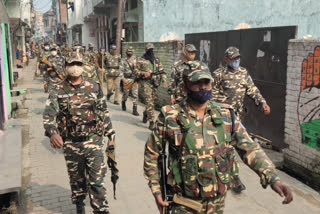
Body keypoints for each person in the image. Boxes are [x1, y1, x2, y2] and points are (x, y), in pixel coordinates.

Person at [143, 61, 293, 214]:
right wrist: (156, 190)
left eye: (206, 82)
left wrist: (273, 178)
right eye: (196, 83)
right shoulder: (170, 116)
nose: (203, 87)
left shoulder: (226, 114)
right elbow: (152, 154)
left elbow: (250, 148)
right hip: (183, 203)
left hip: (217, 204)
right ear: (184, 87)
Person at [43, 54, 115, 214]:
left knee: (97, 181)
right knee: (77, 181)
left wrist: (111, 137)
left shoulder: (94, 86)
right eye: (71, 64)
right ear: (66, 67)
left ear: (82, 66)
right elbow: (48, 115)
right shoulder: (58, 89)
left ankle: (101, 210)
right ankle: (79, 204)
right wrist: (53, 133)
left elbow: (104, 112)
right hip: (71, 144)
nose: (75, 67)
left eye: (78, 63)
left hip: (93, 141)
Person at [211, 47, 271, 193]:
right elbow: (212, 96)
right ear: (226, 59)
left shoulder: (244, 73)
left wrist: (262, 103)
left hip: (237, 116)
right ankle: (234, 177)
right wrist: (223, 106)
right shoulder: (218, 74)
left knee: (236, 145)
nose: (236, 61)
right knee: (227, 146)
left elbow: (252, 90)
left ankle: (233, 174)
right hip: (222, 117)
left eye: (237, 58)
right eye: (233, 59)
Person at [136, 43, 167, 130]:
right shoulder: (141, 60)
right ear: (146, 50)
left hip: (155, 82)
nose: (151, 51)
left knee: (152, 102)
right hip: (146, 83)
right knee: (149, 101)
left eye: (152, 50)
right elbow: (135, 71)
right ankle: (151, 122)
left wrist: (164, 80)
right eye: (149, 50)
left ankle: (146, 113)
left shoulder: (156, 60)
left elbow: (162, 71)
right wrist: (143, 73)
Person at [120, 46, 139, 116]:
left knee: (135, 94)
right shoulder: (123, 60)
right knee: (126, 93)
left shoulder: (136, 59)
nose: (130, 53)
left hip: (134, 79)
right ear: (126, 52)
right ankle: (123, 102)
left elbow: (139, 69)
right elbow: (121, 70)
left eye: (131, 52)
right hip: (126, 79)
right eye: (128, 51)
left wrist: (136, 67)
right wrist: (123, 79)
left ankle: (135, 109)